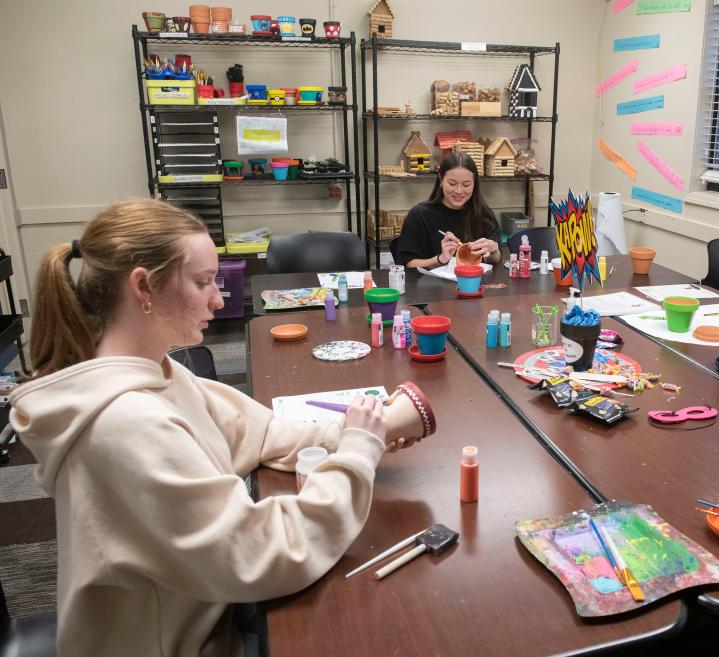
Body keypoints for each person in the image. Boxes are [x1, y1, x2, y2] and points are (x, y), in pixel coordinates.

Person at [9, 199, 417, 657]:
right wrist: (357, 453)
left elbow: (258, 432)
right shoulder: (124, 423)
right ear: (143, 287)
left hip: (202, 606)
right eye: (203, 282)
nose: (220, 299)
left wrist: (360, 430)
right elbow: (260, 553)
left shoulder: (156, 371)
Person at [395, 152, 502, 269]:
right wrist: (440, 259)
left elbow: (495, 260)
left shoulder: (483, 215)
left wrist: (493, 250)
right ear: (441, 180)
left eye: (466, 185)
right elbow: (409, 264)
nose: (459, 191)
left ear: (475, 184)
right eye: (452, 183)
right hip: (430, 286)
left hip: (474, 285)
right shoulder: (419, 215)